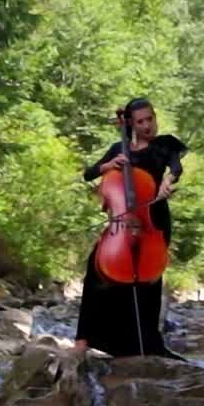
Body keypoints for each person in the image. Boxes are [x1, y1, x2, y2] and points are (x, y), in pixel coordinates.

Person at [75, 97, 186, 358]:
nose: (147, 125)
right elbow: (89, 174)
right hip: (121, 223)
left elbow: (175, 167)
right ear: (132, 125)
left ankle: (146, 345)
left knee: (147, 283)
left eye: (150, 119)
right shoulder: (118, 149)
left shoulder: (165, 145)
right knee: (96, 272)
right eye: (141, 121)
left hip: (152, 222)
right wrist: (107, 166)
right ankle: (84, 341)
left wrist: (167, 181)